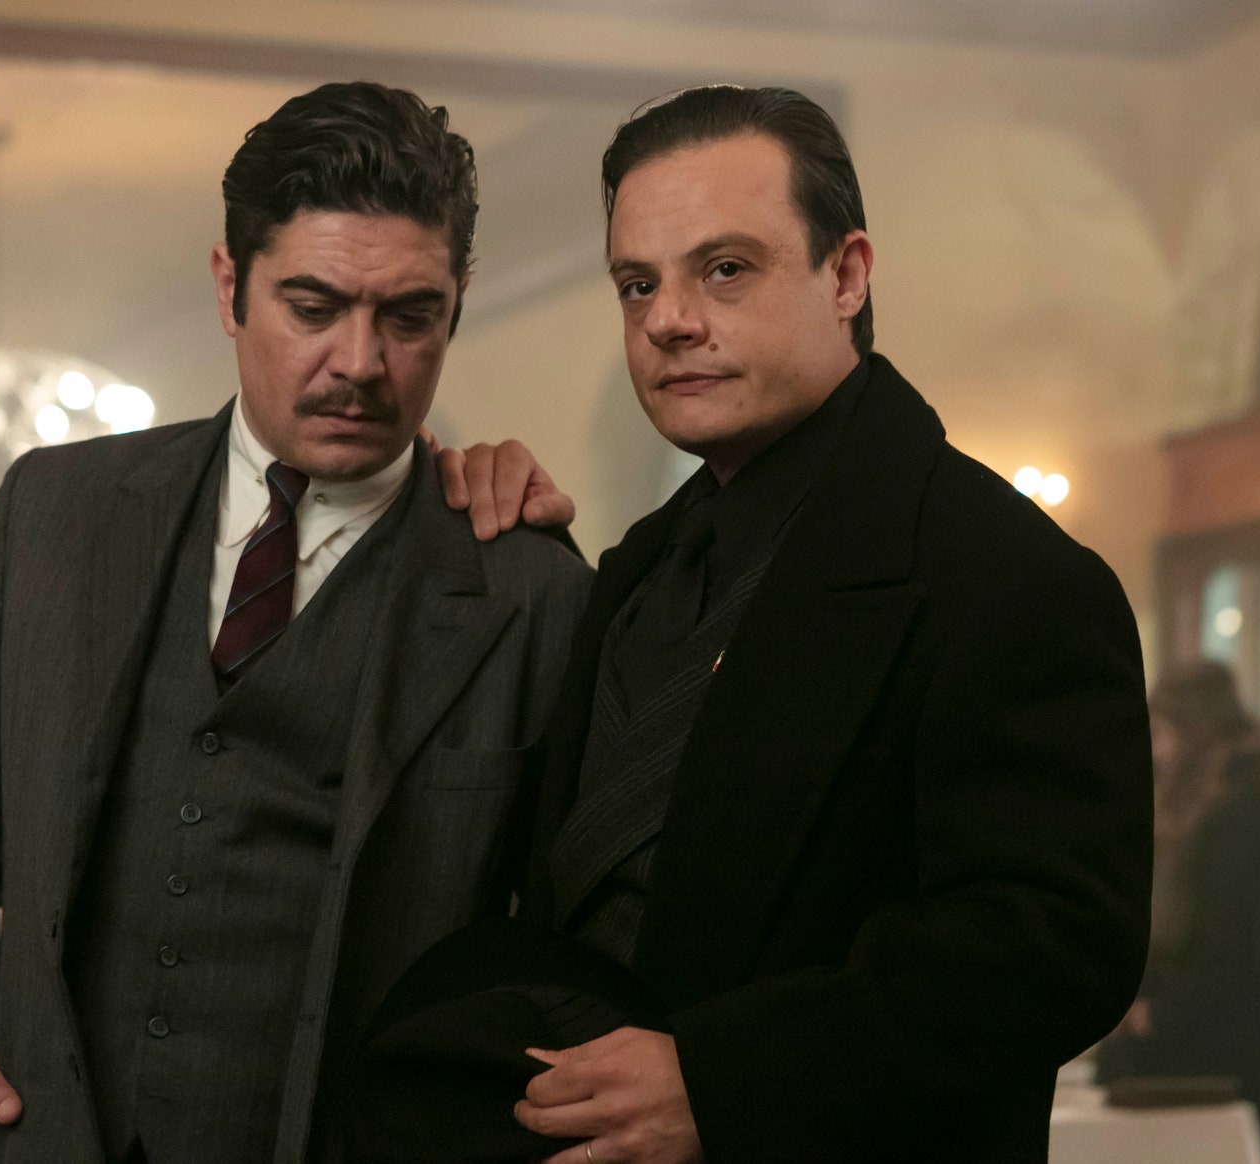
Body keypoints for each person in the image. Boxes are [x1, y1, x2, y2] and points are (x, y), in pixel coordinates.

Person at [0, 81, 592, 1164]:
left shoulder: (531, 590)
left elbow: (568, 948)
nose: (360, 363)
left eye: (408, 316)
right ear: (227, 286)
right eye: (312, 307)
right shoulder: (53, 512)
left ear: (457, 304)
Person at [477, 85, 1152, 1163]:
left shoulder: (1003, 573)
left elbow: (1054, 948)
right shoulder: (640, 565)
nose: (668, 319)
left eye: (724, 269)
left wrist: (723, 1080)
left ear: (847, 275)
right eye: (637, 283)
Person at [1096, 661, 1260, 1164]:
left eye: (1162, 733)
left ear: (1193, 733)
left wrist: (1151, 1018)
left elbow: (1229, 965)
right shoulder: (1258, 806)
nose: (1156, 753)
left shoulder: (1238, 822)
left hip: (1256, 1078)